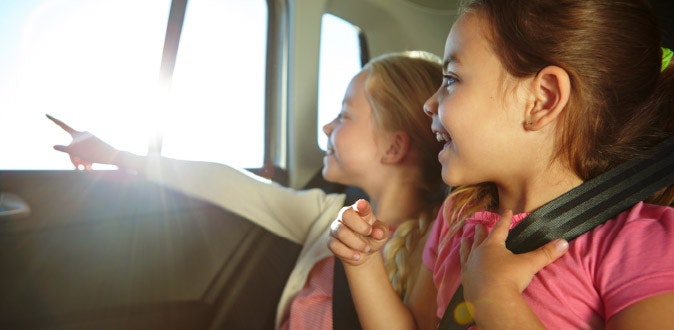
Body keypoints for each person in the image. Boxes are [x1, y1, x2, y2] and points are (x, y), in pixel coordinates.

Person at [329, 0, 674, 328]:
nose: (429, 104)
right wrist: (361, 262)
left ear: (543, 100)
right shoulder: (458, 214)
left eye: (451, 80)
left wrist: (494, 297)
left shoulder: (637, 246)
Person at [48, 51, 448, 329]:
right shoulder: (324, 214)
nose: (327, 128)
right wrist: (118, 155)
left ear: (394, 147)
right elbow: (224, 183)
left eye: (343, 115)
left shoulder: (434, 245)